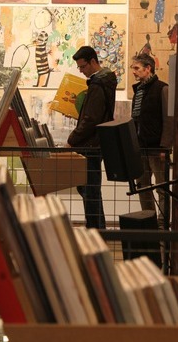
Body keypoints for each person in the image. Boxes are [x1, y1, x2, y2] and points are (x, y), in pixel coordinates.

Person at [66, 46, 116, 229]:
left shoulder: (98, 84)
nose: (81, 71)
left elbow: (91, 119)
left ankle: (96, 230)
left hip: (90, 145)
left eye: (83, 66)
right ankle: (97, 229)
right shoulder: (103, 82)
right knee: (90, 190)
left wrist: (72, 139)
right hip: (95, 143)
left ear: (93, 61)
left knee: (89, 190)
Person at [130, 53, 174, 229]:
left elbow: (169, 120)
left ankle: (162, 225)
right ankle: (149, 223)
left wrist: (165, 146)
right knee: (143, 187)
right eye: (133, 68)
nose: (134, 72)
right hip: (140, 148)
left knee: (162, 188)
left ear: (148, 68)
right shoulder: (138, 91)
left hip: (157, 148)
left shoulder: (163, 89)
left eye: (136, 68)